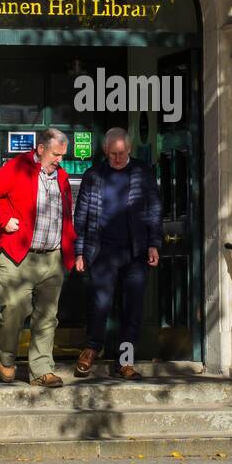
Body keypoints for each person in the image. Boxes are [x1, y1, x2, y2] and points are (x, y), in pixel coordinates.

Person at [0, 128, 76, 388]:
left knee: (47, 316)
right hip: (18, 256)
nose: (59, 159)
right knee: (14, 309)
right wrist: (3, 220)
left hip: (52, 257)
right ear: (42, 149)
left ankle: (42, 369)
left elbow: (66, 217)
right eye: (56, 154)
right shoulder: (18, 167)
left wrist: (71, 250)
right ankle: (6, 358)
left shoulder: (62, 178)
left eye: (62, 155)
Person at [73, 127, 162, 380]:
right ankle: (92, 349)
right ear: (105, 152)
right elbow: (81, 217)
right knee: (99, 304)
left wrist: (154, 243)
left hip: (136, 252)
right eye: (113, 154)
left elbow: (154, 209)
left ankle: (125, 362)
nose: (118, 158)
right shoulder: (93, 176)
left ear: (130, 150)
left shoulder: (143, 172)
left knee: (132, 307)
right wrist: (79, 252)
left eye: (122, 153)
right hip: (101, 251)